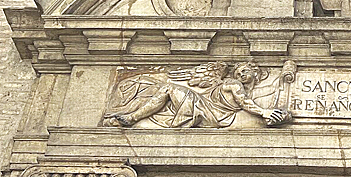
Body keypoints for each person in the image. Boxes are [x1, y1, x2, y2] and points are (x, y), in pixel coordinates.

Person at [102, 61, 289, 128]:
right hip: (201, 106)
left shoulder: (253, 90)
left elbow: (271, 90)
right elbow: (244, 102)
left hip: (210, 115)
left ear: (256, 74)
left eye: (245, 71)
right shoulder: (233, 84)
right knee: (168, 88)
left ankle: (132, 118)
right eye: (238, 72)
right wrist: (264, 112)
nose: (240, 75)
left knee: (167, 89)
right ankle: (132, 117)